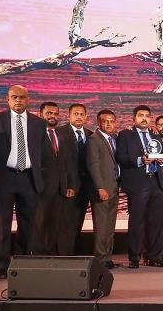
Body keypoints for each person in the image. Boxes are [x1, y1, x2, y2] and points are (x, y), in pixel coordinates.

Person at [0, 85, 52, 279]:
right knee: (1, 224)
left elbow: (45, 154)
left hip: (28, 178)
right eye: (14, 97)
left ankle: (22, 262)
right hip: (4, 178)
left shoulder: (38, 123)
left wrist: (42, 178)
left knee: (28, 224)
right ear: (7, 99)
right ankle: (1, 267)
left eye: (22, 97)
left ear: (28, 100)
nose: (18, 100)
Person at [115, 105, 163, 268]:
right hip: (138, 183)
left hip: (156, 182)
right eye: (141, 115)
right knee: (137, 222)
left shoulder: (155, 136)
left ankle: (154, 256)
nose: (144, 118)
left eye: (147, 116)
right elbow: (120, 157)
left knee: (156, 222)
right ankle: (134, 257)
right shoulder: (125, 135)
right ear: (134, 119)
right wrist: (140, 160)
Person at [32, 101, 78, 255]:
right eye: (49, 113)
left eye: (56, 113)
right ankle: (37, 256)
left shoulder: (62, 135)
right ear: (40, 114)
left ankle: (51, 255)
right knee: (39, 224)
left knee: (55, 224)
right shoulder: (34, 135)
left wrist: (71, 185)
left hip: (60, 188)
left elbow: (69, 163)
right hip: (40, 188)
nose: (53, 116)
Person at [86, 109, 120, 269]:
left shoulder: (114, 139)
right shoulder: (94, 140)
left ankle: (107, 257)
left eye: (111, 121)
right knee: (101, 226)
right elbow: (93, 165)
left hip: (114, 188)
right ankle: (100, 258)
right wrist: (100, 187)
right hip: (103, 190)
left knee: (110, 226)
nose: (108, 124)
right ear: (98, 123)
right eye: (105, 121)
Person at [57, 103, 91, 256]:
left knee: (78, 221)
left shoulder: (90, 134)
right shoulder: (60, 133)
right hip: (68, 187)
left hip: (85, 187)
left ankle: (74, 254)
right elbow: (59, 162)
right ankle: (63, 255)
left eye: (81, 114)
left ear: (86, 116)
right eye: (75, 114)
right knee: (65, 223)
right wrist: (65, 184)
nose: (79, 117)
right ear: (69, 115)